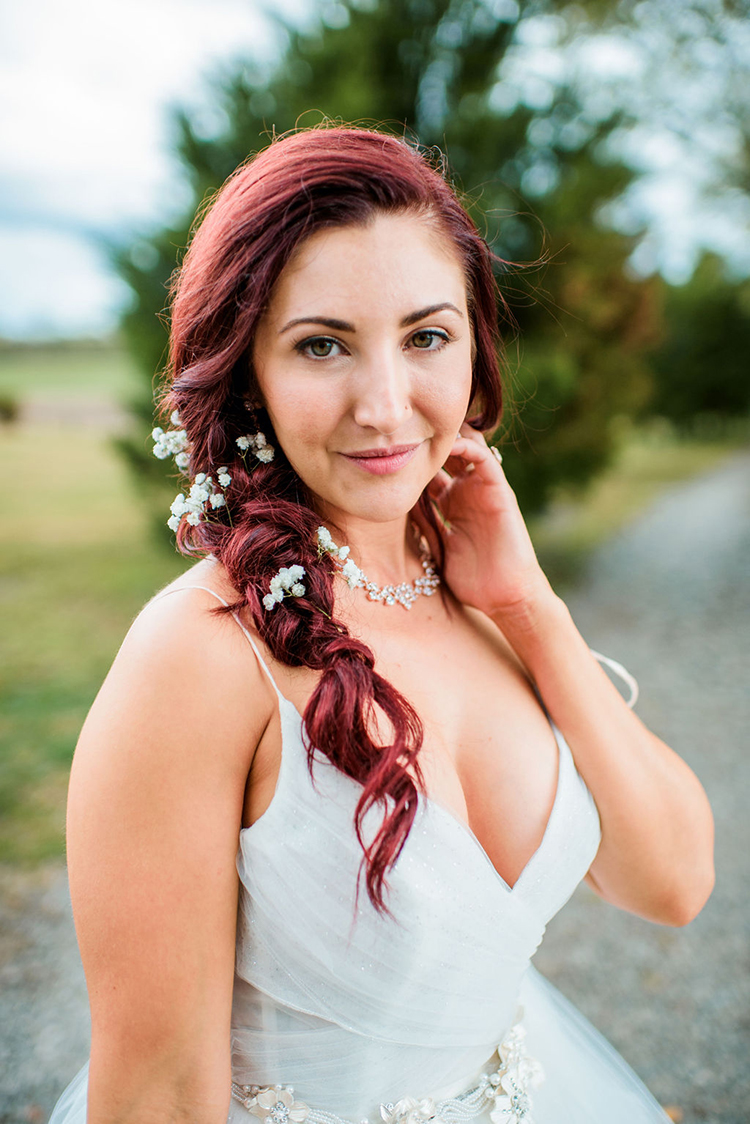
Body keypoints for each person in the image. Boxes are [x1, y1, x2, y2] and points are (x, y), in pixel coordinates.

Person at [49, 125, 714, 1124]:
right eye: (323, 343)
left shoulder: (490, 605)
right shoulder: (202, 655)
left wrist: (532, 607)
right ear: (250, 374)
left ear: (474, 347)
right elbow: (154, 1095)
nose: (385, 405)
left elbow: (670, 882)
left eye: (427, 336)